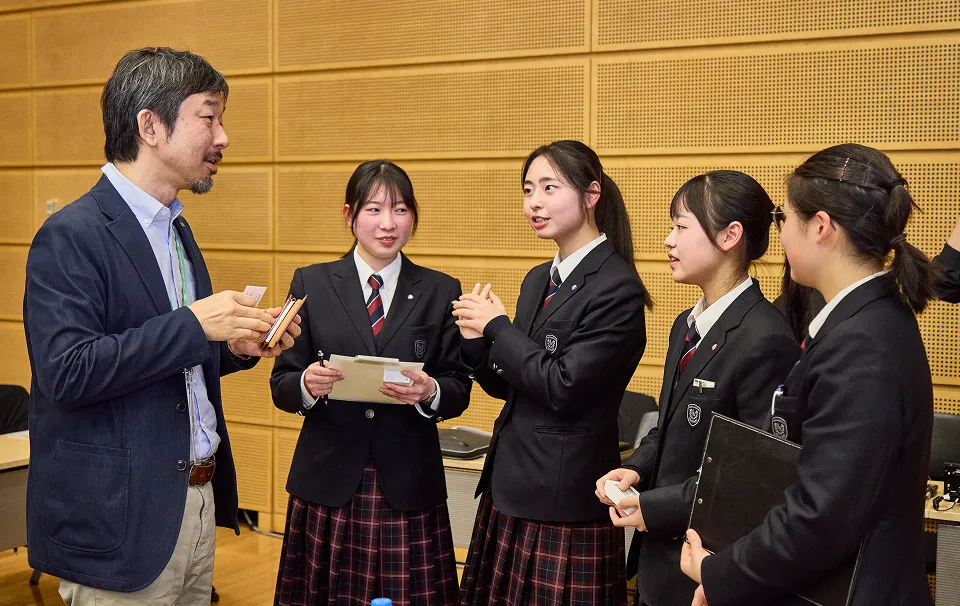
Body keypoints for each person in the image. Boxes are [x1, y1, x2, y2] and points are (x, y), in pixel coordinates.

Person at [23, 47, 301, 604]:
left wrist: (236, 345)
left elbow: (171, 354)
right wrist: (198, 325)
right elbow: (68, 373)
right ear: (150, 125)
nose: (223, 137)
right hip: (118, 519)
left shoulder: (176, 229)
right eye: (209, 116)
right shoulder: (71, 234)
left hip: (191, 503)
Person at [680, 143, 937, 606]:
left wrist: (720, 573)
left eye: (784, 219)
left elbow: (821, 515)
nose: (778, 235)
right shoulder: (863, 322)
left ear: (821, 227)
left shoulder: (863, 344)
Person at [452, 140, 650, 605]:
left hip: (563, 500)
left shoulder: (616, 286)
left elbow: (563, 387)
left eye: (548, 187)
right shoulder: (537, 278)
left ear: (592, 193)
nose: (534, 203)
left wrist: (499, 327)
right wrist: (478, 346)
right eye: (527, 190)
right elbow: (514, 385)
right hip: (511, 487)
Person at [270, 160, 471, 606]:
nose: (387, 223)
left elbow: (458, 386)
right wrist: (307, 383)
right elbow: (281, 382)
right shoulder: (312, 283)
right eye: (374, 209)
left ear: (413, 216)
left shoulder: (441, 290)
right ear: (349, 215)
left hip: (408, 481)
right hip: (329, 480)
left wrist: (429, 392)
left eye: (400, 210)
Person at [595, 171, 797, 606]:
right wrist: (640, 469)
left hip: (707, 569)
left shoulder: (765, 338)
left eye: (681, 227)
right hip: (658, 564)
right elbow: (669, 429)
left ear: (730, 236)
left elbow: (751, 477)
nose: (668, 240)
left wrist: (654, 506)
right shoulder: (684, 326)